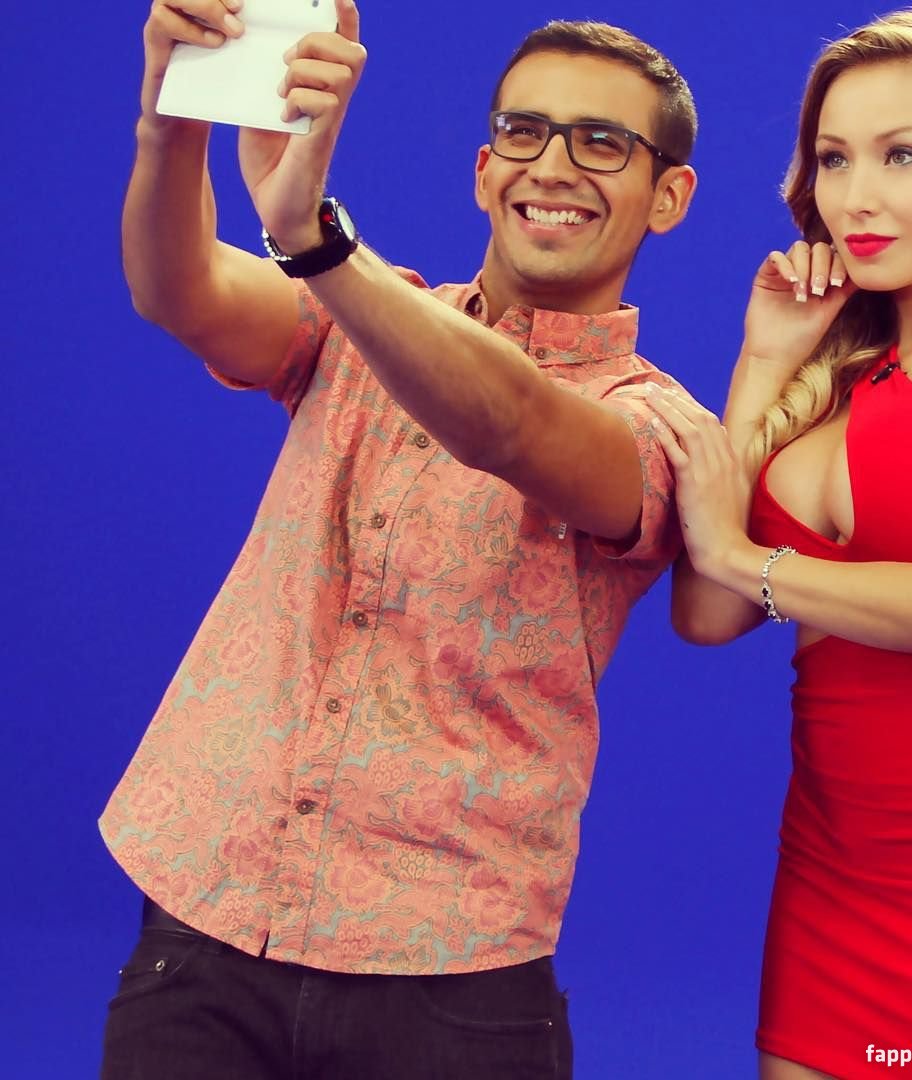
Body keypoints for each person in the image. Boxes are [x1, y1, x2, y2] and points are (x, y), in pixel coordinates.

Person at [99, 1, 698, 1076]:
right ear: (483, 170)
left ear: (670, 197)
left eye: (603, 143)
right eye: (525, 131)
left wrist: (313, 239)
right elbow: (177, 289)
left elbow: (509, 424)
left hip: (450, 978)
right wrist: (171, 111)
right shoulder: (354, 322)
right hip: (209, 922)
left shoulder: (659, 429)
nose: (553, 165)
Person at [647, 8, 912, 1078]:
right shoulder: (831, 367)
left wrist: (745, 558)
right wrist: (763, 362)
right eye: (835, 159)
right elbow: (707, 613)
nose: (856, 197)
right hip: (831, 864)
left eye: (903, 155)